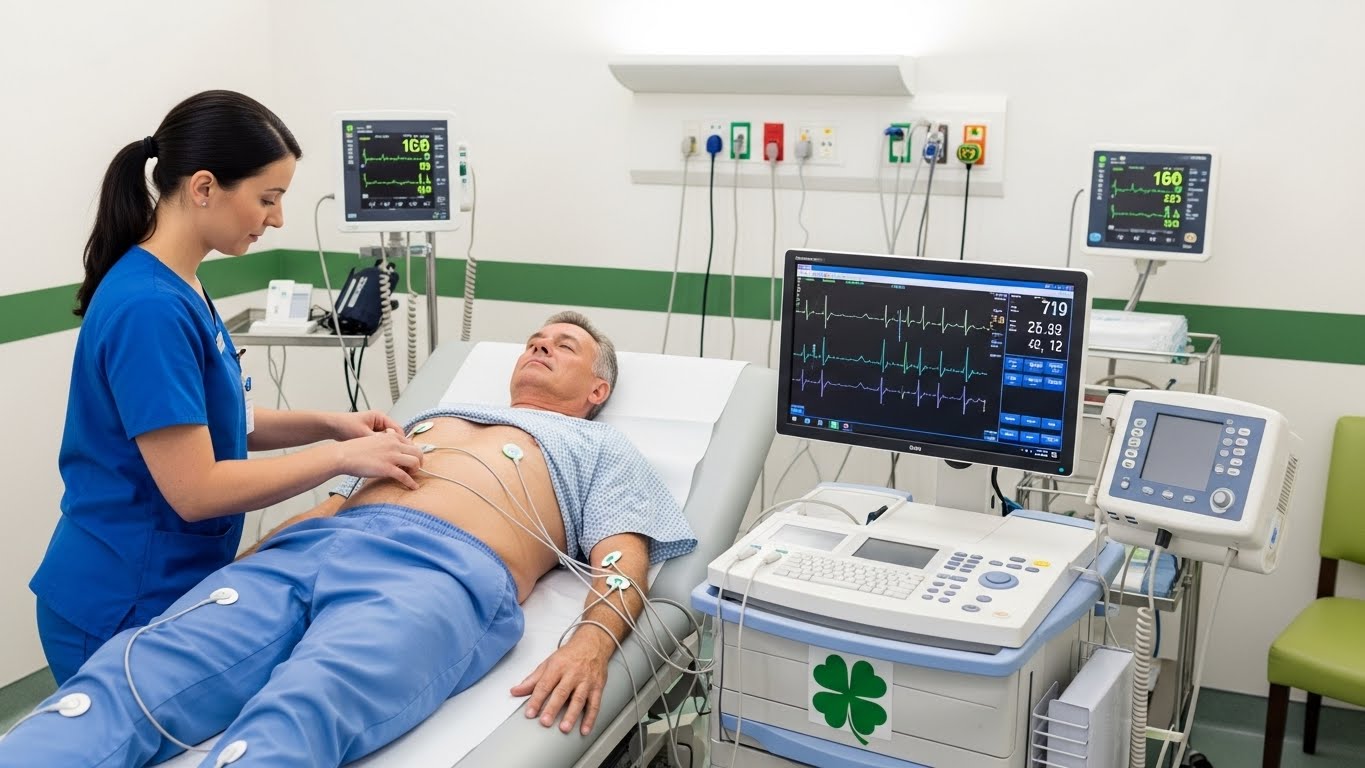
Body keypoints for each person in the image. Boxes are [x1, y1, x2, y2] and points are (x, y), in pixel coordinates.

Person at [0, 312, 696, 768]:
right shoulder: (435, 414)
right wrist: (260, 556)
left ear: (597, 389)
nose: (539, 345)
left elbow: (622, 554)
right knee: (128, 677)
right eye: (533, 340)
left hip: (440, 575)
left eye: (562, 345)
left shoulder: (599, 447)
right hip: (312, 552)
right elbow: (337, 496)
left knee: (297, 715)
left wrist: (588, 644)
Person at [32, 90, 425, 684]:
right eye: (268, 198)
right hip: (119, 598)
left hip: (162, 582)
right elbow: (196, 487)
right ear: (205, 187)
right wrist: (339, 457)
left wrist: (331, 423)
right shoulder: (150, 309)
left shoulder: (182, 285)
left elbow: (222, 420)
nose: (278, 218)